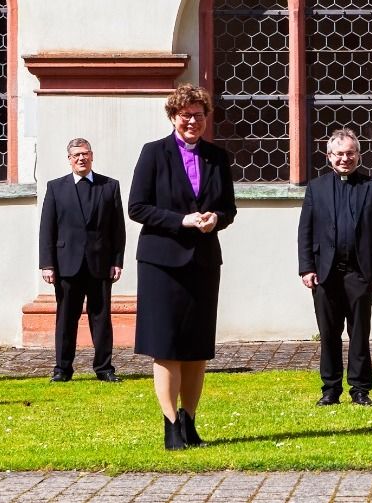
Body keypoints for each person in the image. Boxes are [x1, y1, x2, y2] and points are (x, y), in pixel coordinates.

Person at [130, 83, 238, 450]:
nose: (192, 121)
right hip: (162, 263)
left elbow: (229, 208)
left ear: (207, 117)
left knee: (196, 347)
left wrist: (214, 220)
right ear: (173, 117)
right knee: (167, 346)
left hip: (204, 262)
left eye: (199, 114)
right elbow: (138, 207)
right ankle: (171, 424)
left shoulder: (217, 156)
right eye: (185, 115)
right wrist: (182, 221)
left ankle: (190, 421)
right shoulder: (153, 154)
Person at [297, 128, 372, 407]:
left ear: (358, 156)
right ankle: (330, 389)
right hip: (325, 273)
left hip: (360, 272)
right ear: (329, 157)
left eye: (350, 153)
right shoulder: (316, 188)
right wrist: (306, 268)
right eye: (339, 154)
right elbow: (305, 231)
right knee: (328, 334)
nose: (345, 159)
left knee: (359, 333)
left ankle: (360, 390)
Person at [40, 138, 126, 383]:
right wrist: (47, 264)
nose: (81, 158)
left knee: (101, 318)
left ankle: (104, 368)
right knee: (66, 319)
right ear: (69, 159)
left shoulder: (109, 186)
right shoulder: (56, 187)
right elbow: (47, 228)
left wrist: (117, 261)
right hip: (67, 264)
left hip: (100, 265)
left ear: (92, 156)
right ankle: (62, 369)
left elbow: (117, 229)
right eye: (76, 155)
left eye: (85, 154)